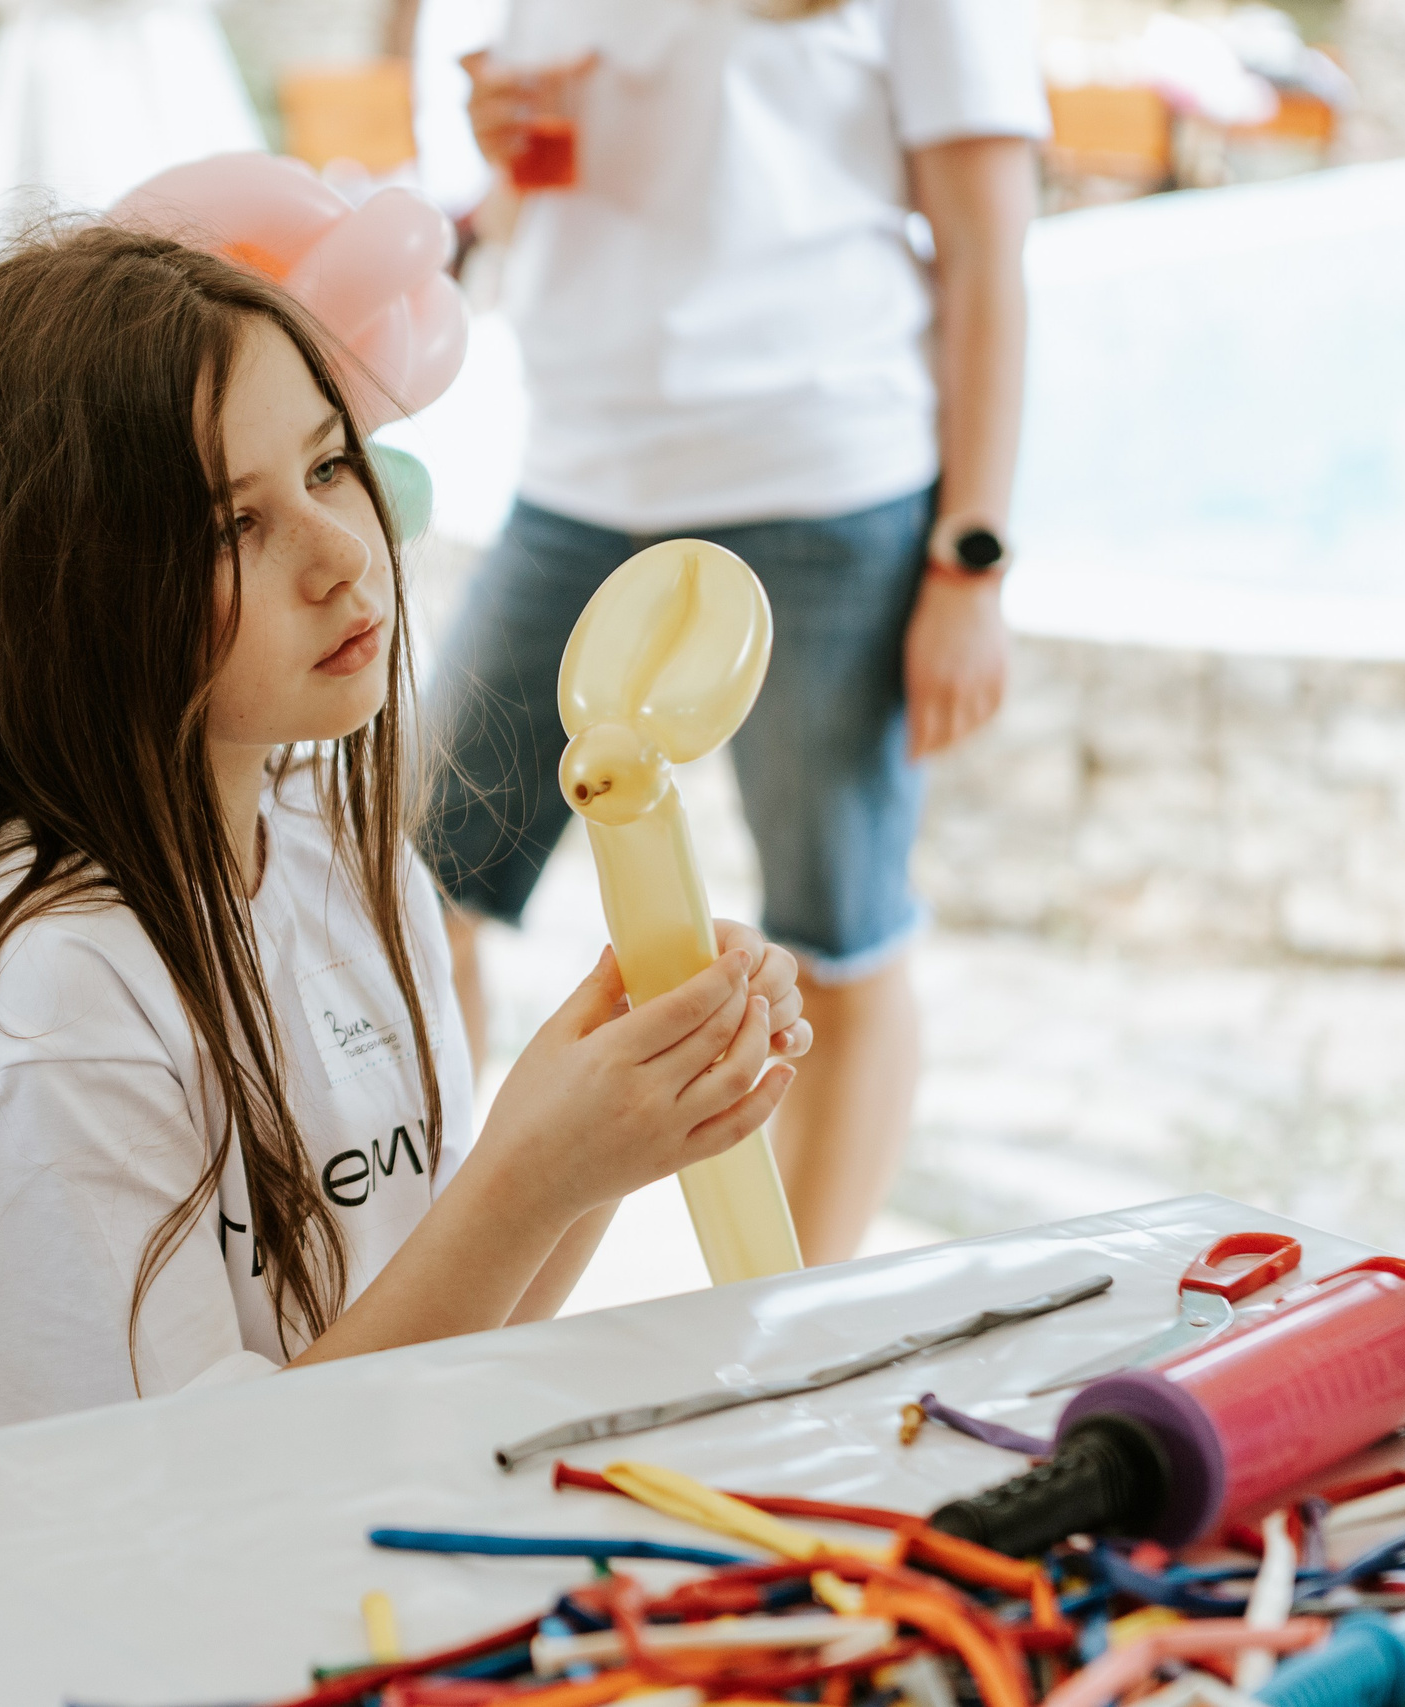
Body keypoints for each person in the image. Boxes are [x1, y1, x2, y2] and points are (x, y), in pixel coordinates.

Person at [0, 225, 813, 1452]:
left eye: (327, 468)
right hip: (94, 1613)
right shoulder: (46, 1004)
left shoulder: (337, 856)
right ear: (64, 598)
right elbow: (181, 1500)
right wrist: (527, 1172)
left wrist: (604, 1137)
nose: (339, 557)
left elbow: (441, 1348)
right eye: (231, 529)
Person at [419, 0, 1046, 1263]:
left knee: (839, 933)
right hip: (577, 477)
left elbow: (987, 254)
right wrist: (494, 156)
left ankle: (789, 1335)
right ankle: (428, 1286)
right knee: (420, 896)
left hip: (823, 487)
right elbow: (564, 194)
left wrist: (969, 560)